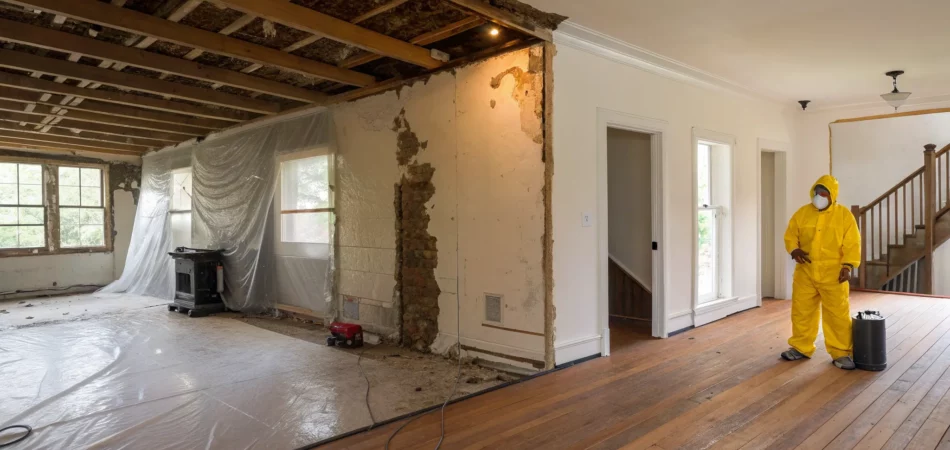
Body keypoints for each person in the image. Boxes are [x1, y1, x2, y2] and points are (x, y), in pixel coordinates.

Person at [781, 174, 861, 370]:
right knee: (802, 311)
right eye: (817, 193)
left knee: (837, 314)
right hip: (806, 272)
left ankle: (841, 352)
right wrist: (794, 250)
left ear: (832, 195)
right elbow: (791, 235)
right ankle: (801, 347)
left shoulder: (843, 216)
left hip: (834, 274)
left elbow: (852, 243)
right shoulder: (802, 213)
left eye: (824, 193)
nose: (819, 197)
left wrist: (848, 266)